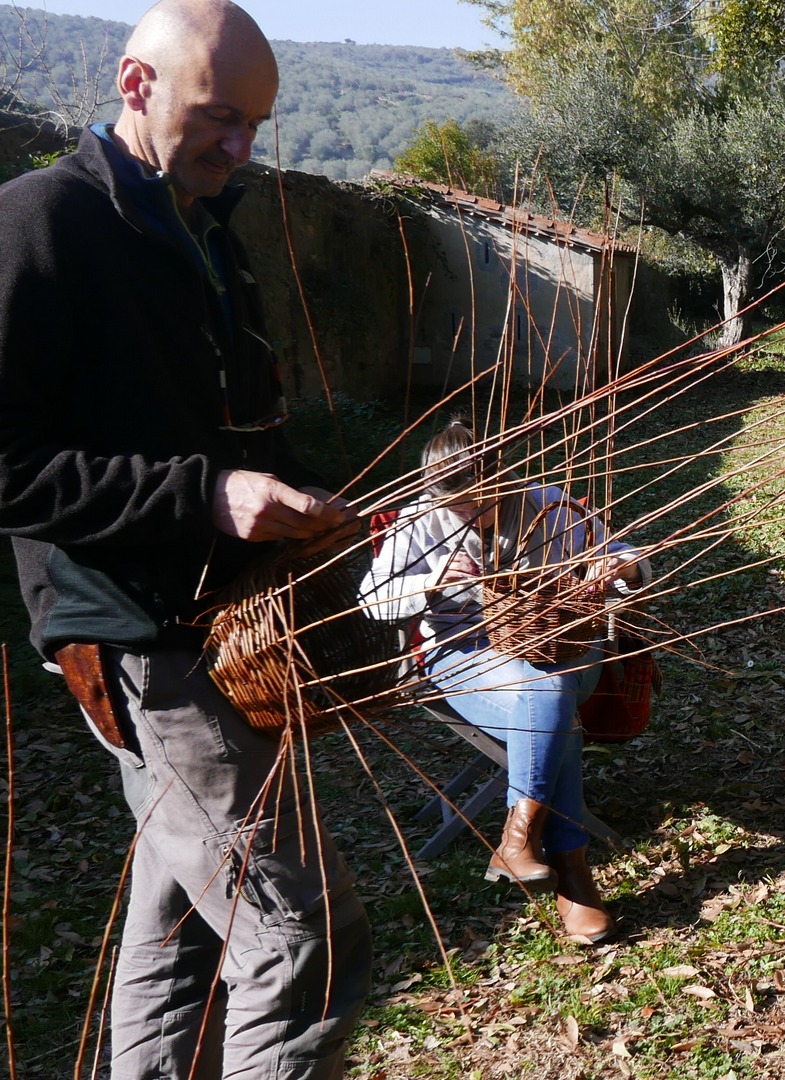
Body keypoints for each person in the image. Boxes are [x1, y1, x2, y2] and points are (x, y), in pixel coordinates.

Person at [0, 3, 370, 1076]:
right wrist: (206, 497)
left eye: (256, 123)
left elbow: (240, 433)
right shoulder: (39, 226)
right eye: (219, 117)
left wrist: (319, 499)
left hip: (219, 633)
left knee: (182, 931)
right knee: (306, 940)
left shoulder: (205, 233)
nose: (240, 147)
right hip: (140, 648)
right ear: (135, 85)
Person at [361, 421, 645, 946]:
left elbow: (626, 553)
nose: (468, 514)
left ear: (504, 479)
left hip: (561, 643)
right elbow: (372, 599)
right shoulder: (420, 521)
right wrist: (431, 581)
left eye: (478, 501)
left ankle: (520, 839)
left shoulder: (548, 505)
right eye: (456, 506)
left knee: (550, 682)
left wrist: (620, 566)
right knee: (550, 698)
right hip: (462, 654)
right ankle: (571, 869)